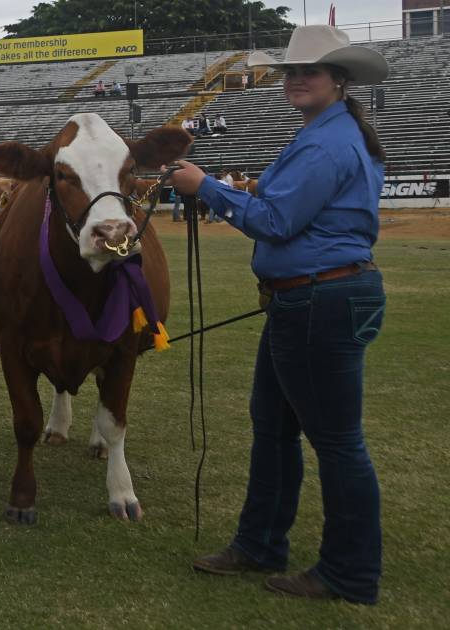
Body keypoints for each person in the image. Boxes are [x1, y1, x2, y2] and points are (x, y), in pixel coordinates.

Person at [167, 25, 389, 605]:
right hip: (310, 297)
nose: (295, 79)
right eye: (290, 71)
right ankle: (261, 542)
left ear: (338, 80)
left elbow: (274, 221)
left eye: (307, 71)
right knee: (273, 427)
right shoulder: (332, 135)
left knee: (336, 442)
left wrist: (205, 186)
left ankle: (349, 571)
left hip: (319, 299)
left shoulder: (324, 144)